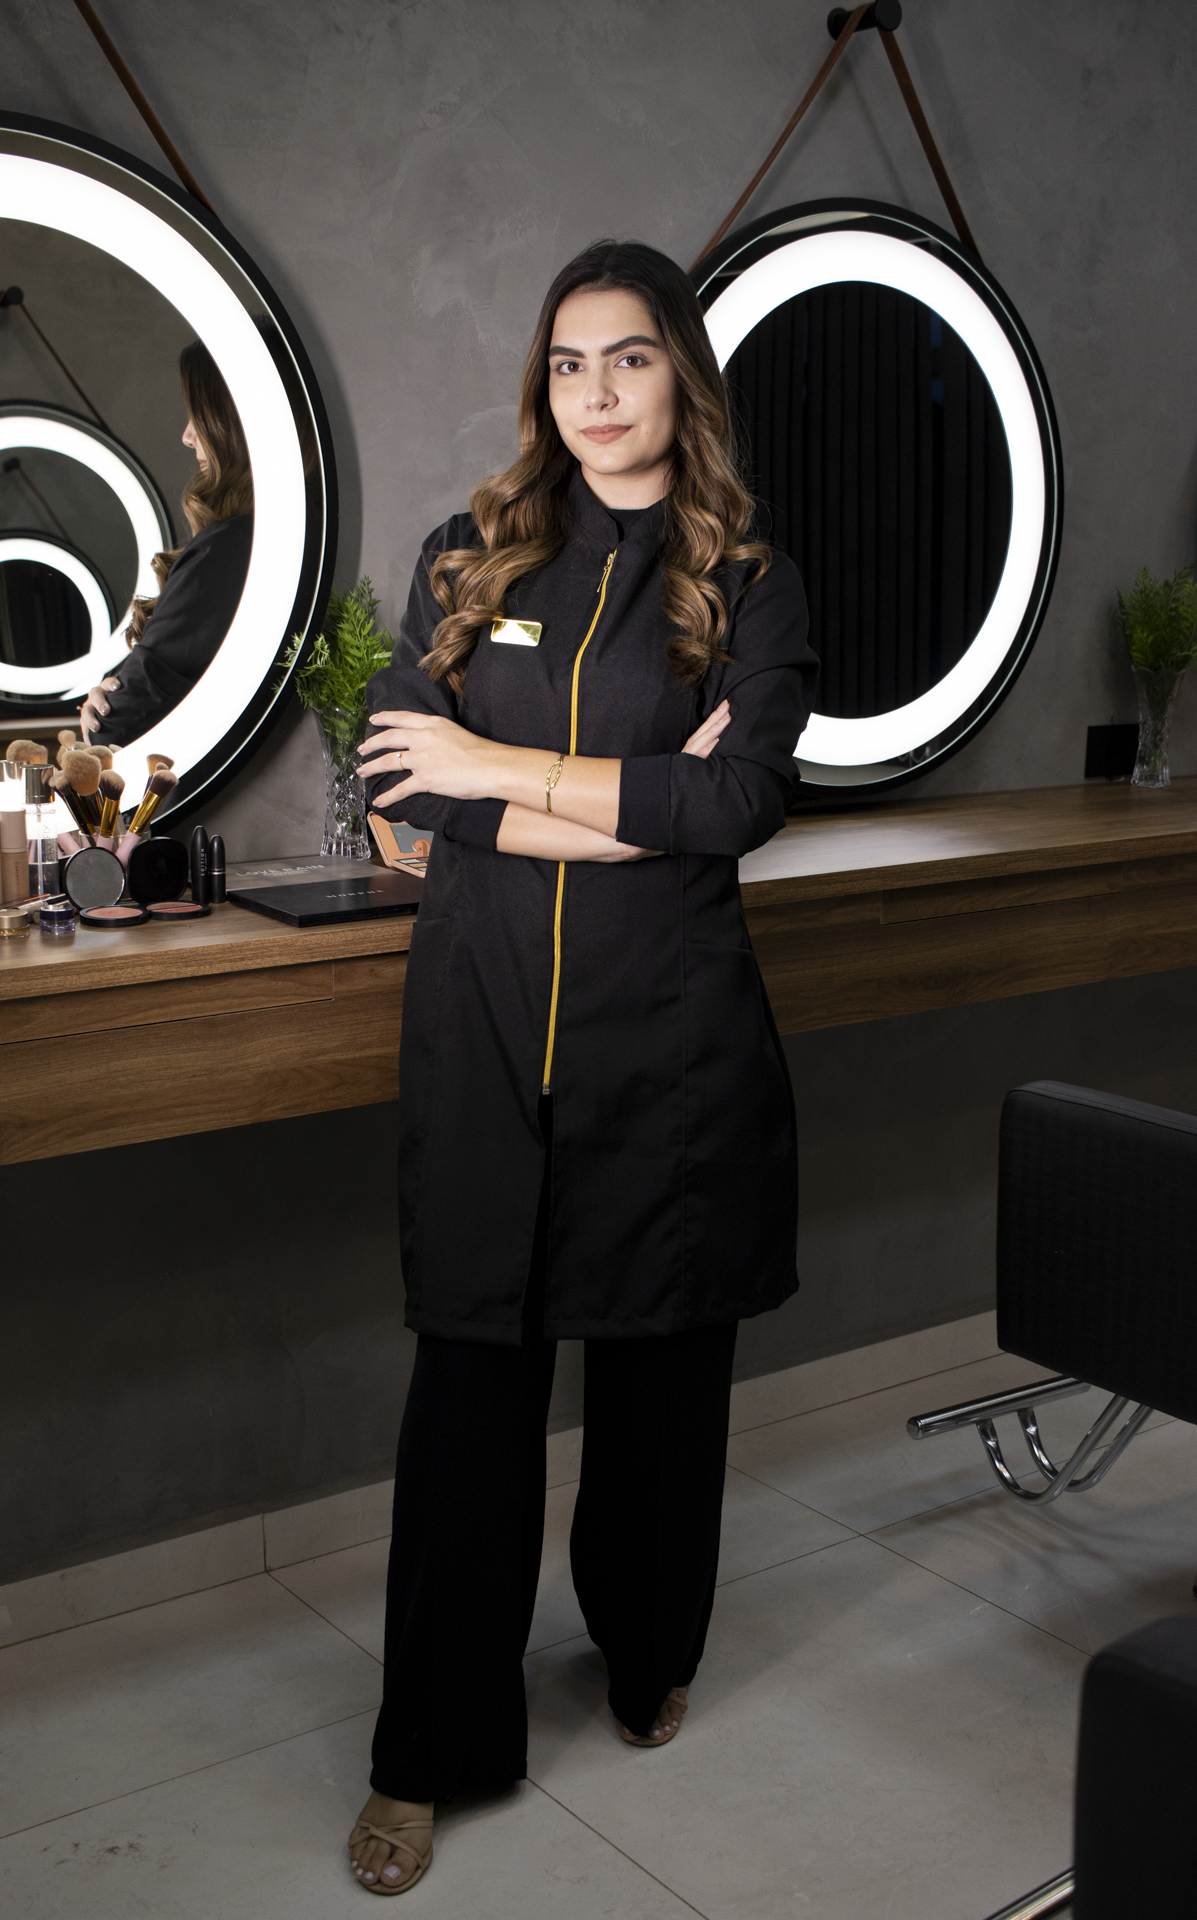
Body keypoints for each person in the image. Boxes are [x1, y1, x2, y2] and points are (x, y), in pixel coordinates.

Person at [351, 238, 818, 1896]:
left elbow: (738, 804)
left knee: (658, 1396)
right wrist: (623, 802)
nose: (596, 394)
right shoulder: (467, 555)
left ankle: (644, 1652)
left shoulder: (746, 580)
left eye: (627, 358)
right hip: (484, 1031)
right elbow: (400, 785)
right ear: (539, 385)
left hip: (666, 1048)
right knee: (465, 1411)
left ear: (680, 371)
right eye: (567, 362)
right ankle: (427, 1753)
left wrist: (495, 769)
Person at [80, 340, 253, 745]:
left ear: (234, 420)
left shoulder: (225, 550)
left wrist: (106, 708)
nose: (187, 436)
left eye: (198, 416)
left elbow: (113, 728)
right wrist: (110, 692)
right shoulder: (259, 542)